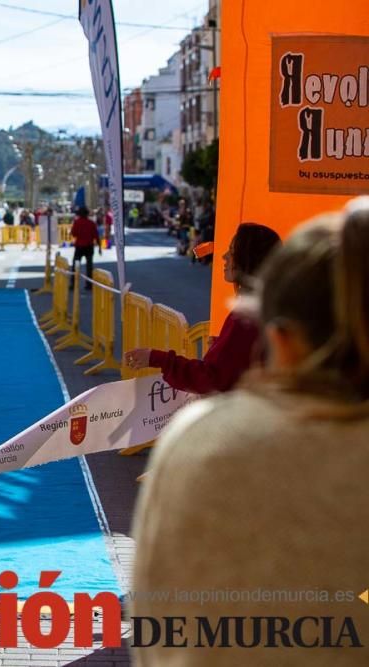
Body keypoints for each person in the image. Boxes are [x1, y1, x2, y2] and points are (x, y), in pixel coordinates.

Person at [132, 199, 369, 666]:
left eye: (230, 252)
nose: (220, 257)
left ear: (283, 341)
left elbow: (163, 630)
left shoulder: (209, 445)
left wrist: (162, 360)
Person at [126, 223, 281, 393]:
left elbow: (212, 379)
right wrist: (221, 347)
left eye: (232, 251)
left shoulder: (248, 316)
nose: (224, 256)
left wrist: (156, 358)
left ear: (248, 260)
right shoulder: (271, 306)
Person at [69, 206, 100, 290]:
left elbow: (74, 233)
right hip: (89, 246)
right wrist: (100, 247)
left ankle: (73, 284)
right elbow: (96, 236)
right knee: (89, 266)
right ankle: (89, 284)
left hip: (79, 246)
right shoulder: (91, 223)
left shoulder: (77, 222)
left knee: (75, 265)